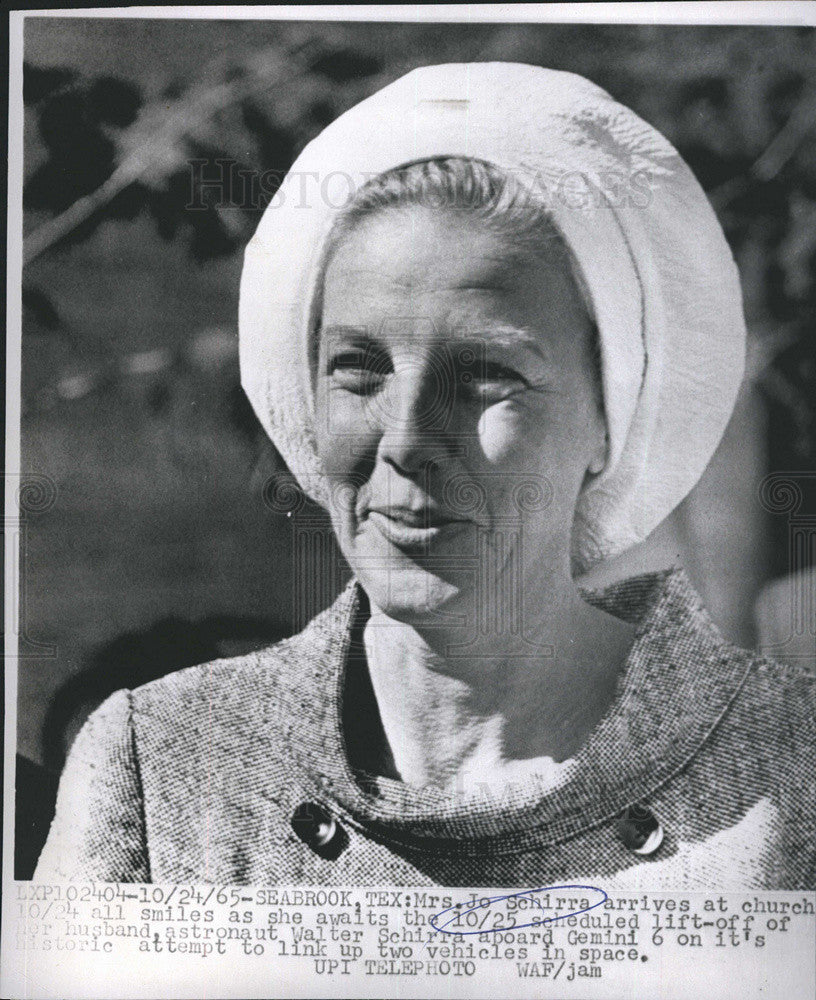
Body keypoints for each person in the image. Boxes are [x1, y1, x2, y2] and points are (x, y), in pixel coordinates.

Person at [35, 63, 815, 888]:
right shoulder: (164, 775)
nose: (405, 440)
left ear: (611, 414)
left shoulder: (792, 776)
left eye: (484, 373)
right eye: (359, 367)